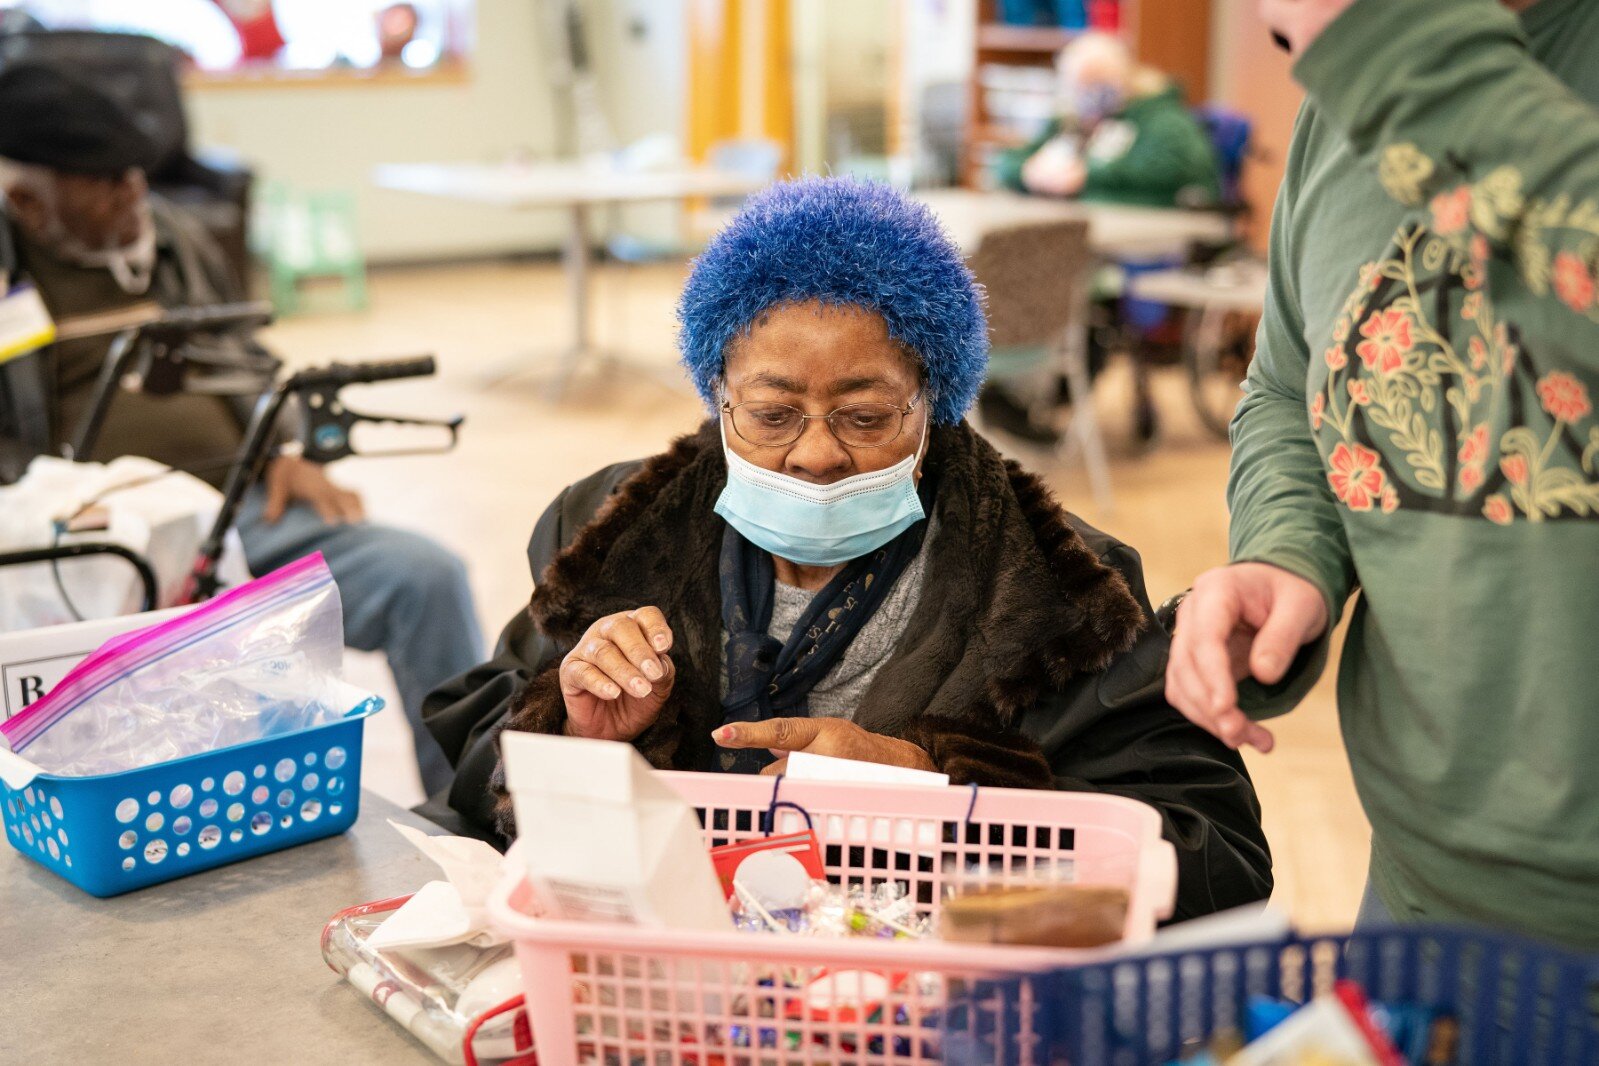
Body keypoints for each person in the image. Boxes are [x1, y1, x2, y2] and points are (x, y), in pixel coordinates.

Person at [424, 176, 1272, 921]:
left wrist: (928, 794)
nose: (817, 452)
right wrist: (580, 737)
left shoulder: (1062, 590)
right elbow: (472, 771)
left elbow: (1212, 856)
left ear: (931, 402)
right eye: (770, 414)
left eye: (866, 417)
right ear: (717, 397)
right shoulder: (608, 534)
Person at [1166, 0, 1599, 948]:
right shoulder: (1345, 96)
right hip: (1421, 881)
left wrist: (1385, 41)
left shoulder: (1381, 48)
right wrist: (1288, 551)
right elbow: (1288, 380)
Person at [0, 62, 482, 796]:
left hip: (241, 515)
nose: (136, 198)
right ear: (30, 205)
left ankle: (467, 815)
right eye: (105, 185)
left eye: (137, 176)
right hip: (84, 552)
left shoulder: (175, 240)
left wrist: (280, 445)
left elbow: (249, 359)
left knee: (423, 576)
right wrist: (59, 507)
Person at [994, 32, 1221, 209]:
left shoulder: (1164, 121)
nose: (1086, 92)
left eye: (1095, 80)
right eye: (1077, 84)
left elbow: (1164, 179)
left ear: (1124, 76)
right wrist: (1029, 173)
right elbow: (1007, 163)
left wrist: (1085, 178)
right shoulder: (1068, 121)